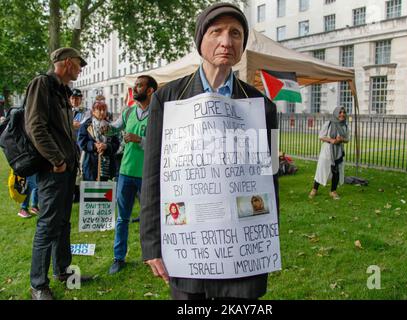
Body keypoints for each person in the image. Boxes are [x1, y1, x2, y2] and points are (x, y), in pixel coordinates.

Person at [139, 3, 279, 300]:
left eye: (236, 33)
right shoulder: (167, 98)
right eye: (216, 32)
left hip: (242, 250)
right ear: (201, 39)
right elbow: (152, 175)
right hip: (189, 248)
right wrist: (152, 243)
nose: (226, 42)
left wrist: (268, 237)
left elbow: (271, 176)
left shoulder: (263, 106)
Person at [24, 47, 93, 300]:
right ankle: (38, 286)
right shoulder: (42, 84)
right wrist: (56, 160)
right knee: (48, 225)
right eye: (78, 63)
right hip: (53, 170)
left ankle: (64, 272)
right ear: (65, 63)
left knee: (62, 223)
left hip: (65, 169)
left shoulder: (62, 90)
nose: (80, 68)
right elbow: (35, 126)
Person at [106, 75, 158, 274]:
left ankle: (152, 256)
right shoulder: (128, 112)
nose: (135, 88)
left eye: (139, 85)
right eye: (135, 85)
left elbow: (160, 143)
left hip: (148, 175)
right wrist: (105, 128)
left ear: (150, 90)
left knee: (150, 219)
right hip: (126, 173)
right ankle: (118, 258)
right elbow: (113, 129)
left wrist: (140, 140)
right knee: (122, 219)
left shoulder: (158, 113)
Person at [309, 106, 349, 200]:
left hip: (338, 151)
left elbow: (347, 139)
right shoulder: (329, 123)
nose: (342, 114)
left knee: (336, 171)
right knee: (322, 169)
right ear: (336, 113)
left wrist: (342, 139)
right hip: (327, 150)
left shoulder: (345, 125)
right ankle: (315, 189)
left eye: (343, 112)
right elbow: (321, 136)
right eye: (340, 112)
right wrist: (332, 140)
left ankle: (333, 191)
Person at [78, 101, 119, 181]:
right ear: (93, 111)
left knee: (106, 192)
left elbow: (116, 144)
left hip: (107, 167)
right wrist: (94, 145)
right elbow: (82, 142)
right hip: (91, 165)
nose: (102, 112)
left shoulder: (111, 126)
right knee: (90, 191)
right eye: (99, 110)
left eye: (104, 110)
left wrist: (106, 146)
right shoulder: (86, 125)